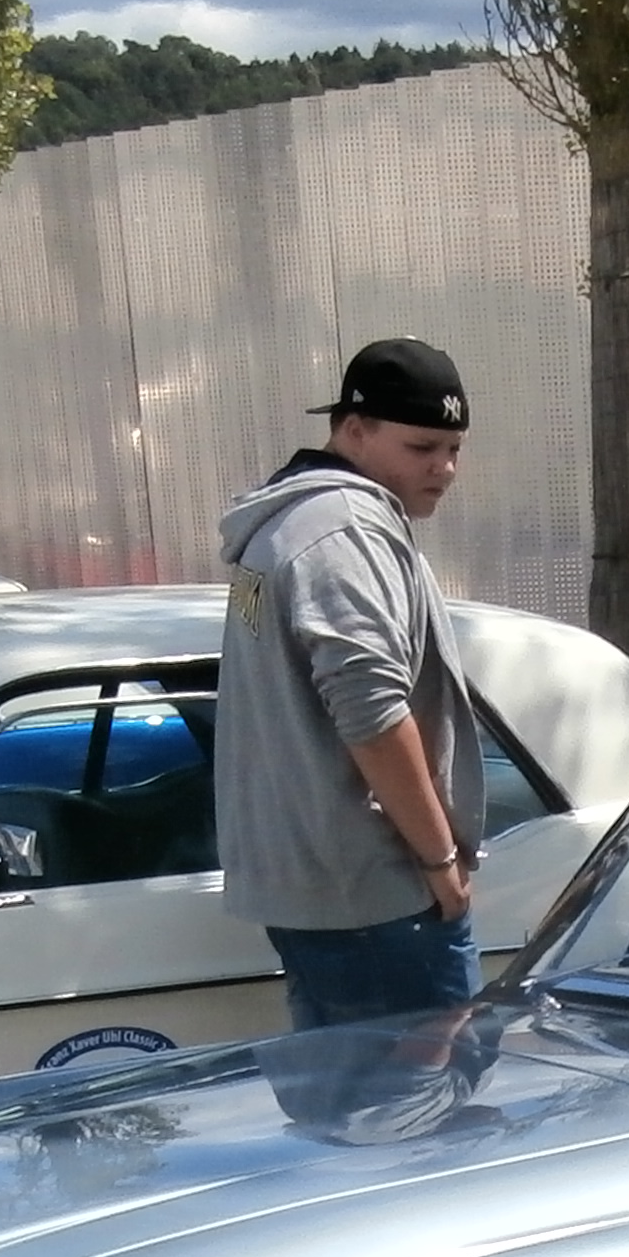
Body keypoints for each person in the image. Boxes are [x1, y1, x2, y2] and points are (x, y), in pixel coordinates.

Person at [215, 337, 490, 1030]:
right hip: (377, 893)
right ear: (354, 429)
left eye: (454, 448)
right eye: (422, 447)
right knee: (434, 1093)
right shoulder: (345, 531)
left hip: (326, 891)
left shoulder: (291, 525)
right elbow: (370, 710)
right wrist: (439, 861)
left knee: (341, 1094)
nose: (444, 468)